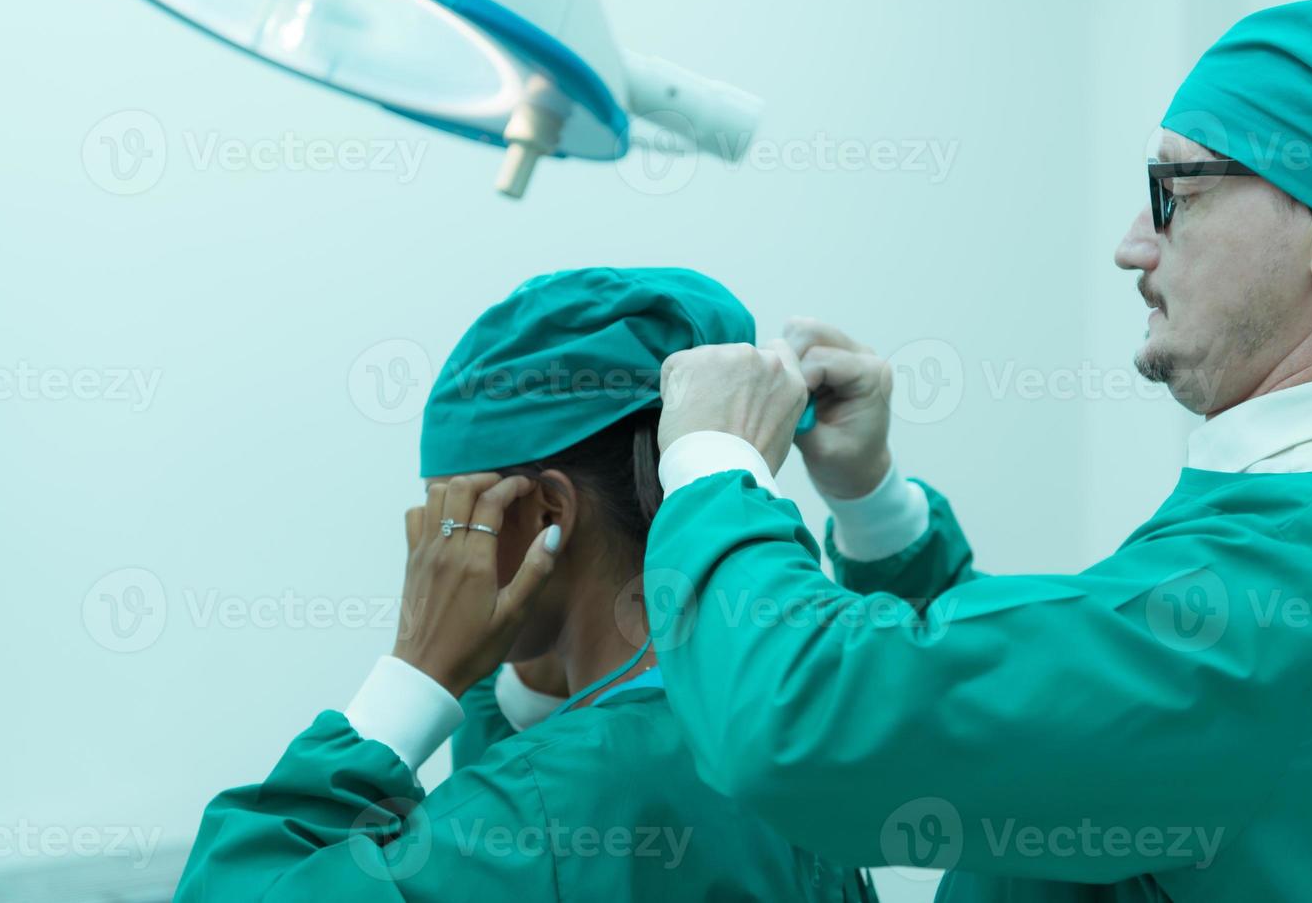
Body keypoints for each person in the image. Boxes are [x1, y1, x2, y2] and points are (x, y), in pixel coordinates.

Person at [636, 0, 1312, 900]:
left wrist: (713, 463)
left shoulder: (1284, 591)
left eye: (1174, 195)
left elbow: (799, 723)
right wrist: (873, 503)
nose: (1131, 247)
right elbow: (1050, 702)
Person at [171, 267, 877, 902]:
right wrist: (533, 676)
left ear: (545, 514)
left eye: (446, 508)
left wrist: (415, 675)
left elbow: (242, 887)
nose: (426, 547)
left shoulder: (549, 806)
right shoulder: (792, 730)